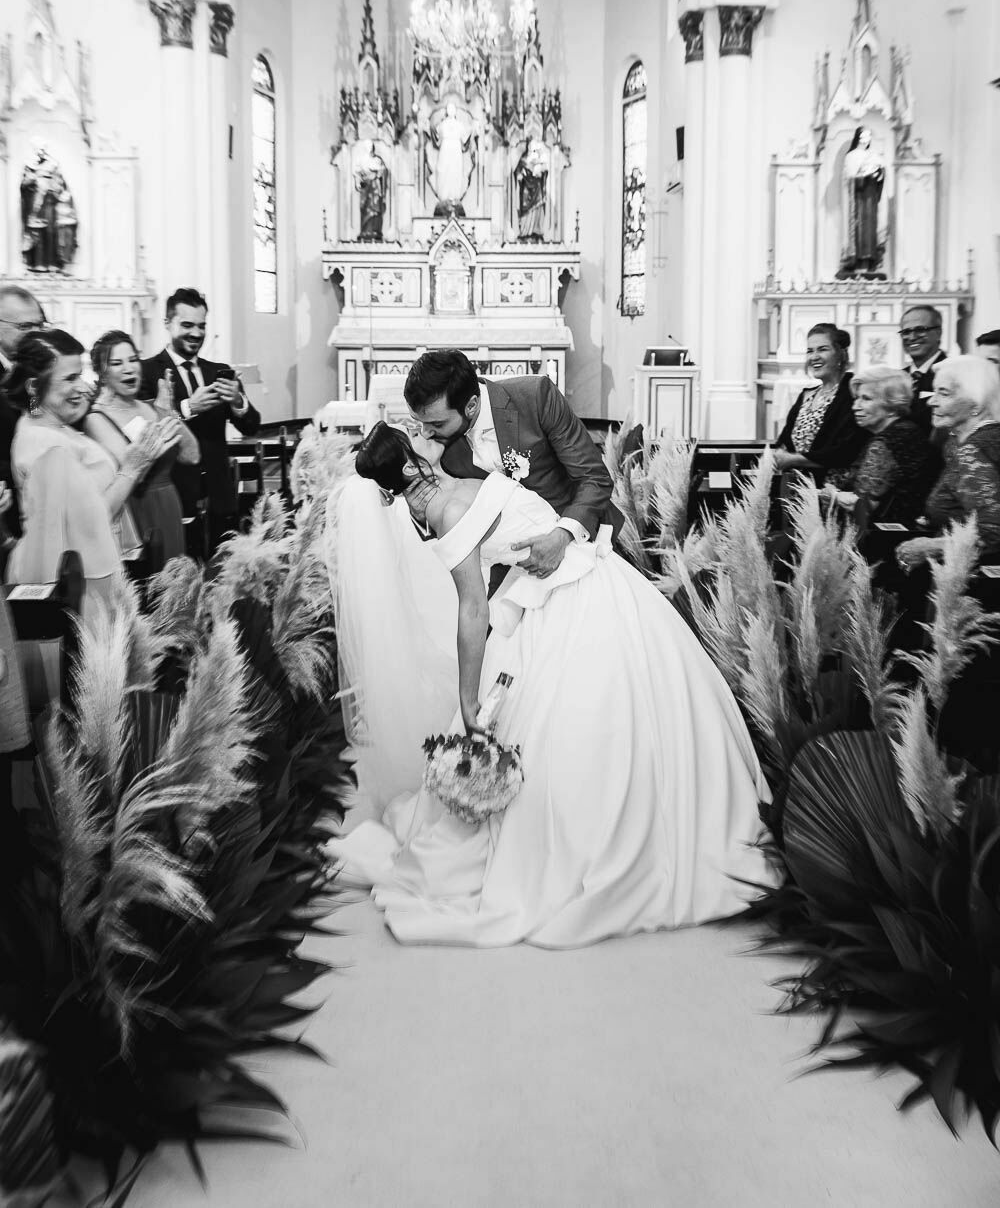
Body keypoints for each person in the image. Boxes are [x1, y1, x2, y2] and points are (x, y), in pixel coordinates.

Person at [329, 423, 775, 947]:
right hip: (560, 600)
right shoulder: (442, 510)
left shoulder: (451, 477)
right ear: (407, 467)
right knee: (583, 719)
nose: (425, 434)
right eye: (415, 437)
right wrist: (467, 698)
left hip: (590, 579)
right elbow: (472, 608)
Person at [403, 349, 622, 582]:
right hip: (512, 565)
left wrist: (562, 536)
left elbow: (594, 478)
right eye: (420, 423)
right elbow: (446, 518)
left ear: (471, 405)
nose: (425, 433)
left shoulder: (536, 397)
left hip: (579, 544)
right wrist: (419, 511)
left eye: (436, 423)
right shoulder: (436, 446)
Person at [5, 330, 176, 620]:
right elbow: (92, 516)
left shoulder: (50, 425)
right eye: (70, 378)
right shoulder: (44, 445)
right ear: (34, 387)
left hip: (88, 569)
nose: (82, 386)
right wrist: (133, 466)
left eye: (80, 375)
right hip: (74, 580)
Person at [140, 288, 261, 558]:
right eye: (187, 325)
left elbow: (252, 426)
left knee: (221, 574)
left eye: (201, 326)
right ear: (167, 324)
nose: (196, 333)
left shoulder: (216, 372)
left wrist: (238, 402)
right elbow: (141, 433)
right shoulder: (147, 372)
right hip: (174, 493)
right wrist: (186, 408)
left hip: (220, 493)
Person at [85, 330, 200, 564]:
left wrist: (167, 411)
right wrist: (157, 437)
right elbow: (135, 474)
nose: (129, 368)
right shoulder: (96, 418)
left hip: (170, 505)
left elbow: (192, 455)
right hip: (137, 512)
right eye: (116, 363)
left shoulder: (151, 407)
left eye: (133, 360)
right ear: (102, 373)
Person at [896, 355, 1000, 572]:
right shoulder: (961, 442)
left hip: (973, 580)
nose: (931, 401)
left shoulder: (973, 451)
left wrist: (930, 546)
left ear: (976, 404)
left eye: (944, 393)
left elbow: (992, 533)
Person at [827, 367, 935, 535]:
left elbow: (862, 505)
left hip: (886, 539)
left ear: (891, 405)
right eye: (856, 399)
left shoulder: (888, 441)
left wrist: (832, 494)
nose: (856, 407)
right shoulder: (907, 430)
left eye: (866, 399)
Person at [771, 324, 864, 487]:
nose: (814, 357)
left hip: (834, 491)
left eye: (822, 349)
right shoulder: (806, 395)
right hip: (798, 490)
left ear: (840, 354)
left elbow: (846, 450)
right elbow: (784, 440)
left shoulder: (853, 392)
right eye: (810, 351)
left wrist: (794, 459)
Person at [0, 285, 46, 543]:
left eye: (40, 325)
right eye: (25, 327)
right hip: (7, 507)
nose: (36, 334)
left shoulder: (37, 370)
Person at [839, 126, 886, 277]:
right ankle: (856, 260)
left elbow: (881, 178)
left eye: (869, 137)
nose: (867, 140)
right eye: (864, 136)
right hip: (858, 200)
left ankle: (869, 260)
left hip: (871, 197)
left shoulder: (873, 155)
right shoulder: (851, 156)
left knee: (870, 228)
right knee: (859, 229)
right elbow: (850, 179)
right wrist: (863, 175)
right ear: (858, 138)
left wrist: (878, 175)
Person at [900, 303, 946, 436]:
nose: (912, 337)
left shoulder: (951, 373)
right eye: (906, 332)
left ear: (938, 333)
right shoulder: (898, 376)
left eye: (920, 329)